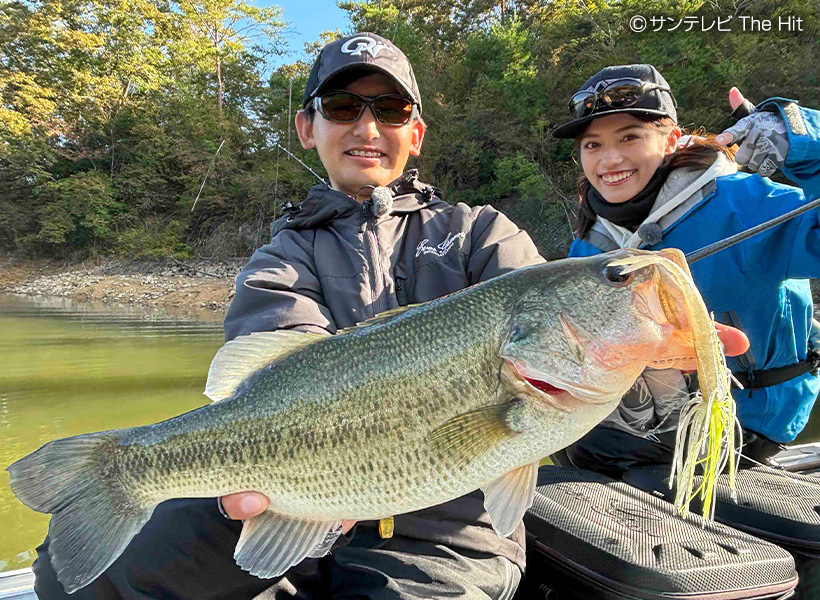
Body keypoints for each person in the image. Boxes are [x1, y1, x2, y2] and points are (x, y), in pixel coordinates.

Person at [32, 32, 544, 600]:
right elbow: (277, 366)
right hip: (303, 490)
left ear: (416, 134)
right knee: (75, 575)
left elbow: (567, 358)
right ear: (308, 128)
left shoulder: (481, 236)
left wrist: (659, 365)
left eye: (392, 110)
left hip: (445, 529)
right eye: (343, 107)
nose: (367, 129)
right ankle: (128, 478)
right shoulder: (281, 257)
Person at [553, 63, 820, 475]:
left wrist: (806, 143)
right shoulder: (592, 241)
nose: (610, 159)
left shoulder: (746, 203)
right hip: (647, 416)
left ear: (673, 139)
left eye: (630, 137)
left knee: (596, 455)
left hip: (751, 421)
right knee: (557, 436)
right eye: (592, 145)